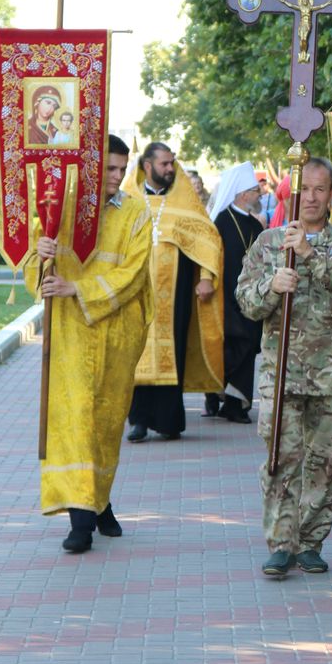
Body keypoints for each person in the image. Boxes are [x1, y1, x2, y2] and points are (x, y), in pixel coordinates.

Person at [235, 157, 332, 579]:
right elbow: (245, 302)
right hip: (281, 374)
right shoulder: (268, 242)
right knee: (280, 458)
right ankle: (282, 544)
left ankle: (311, 542)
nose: (312, 198)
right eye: (306, 189)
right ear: (292, 193)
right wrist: (271, 286)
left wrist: (310, 256)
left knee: (324, 463)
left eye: (320, 189)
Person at [25, 134, 152, 553]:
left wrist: (78, 288)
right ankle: (80, 521)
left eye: (122, 169)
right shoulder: (58, 211)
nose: (116, 177)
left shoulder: (136, 211)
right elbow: (35, 271)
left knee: (107, 420)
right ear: (91, 169)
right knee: (75, 417)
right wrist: (41, 253)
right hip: (70, 332)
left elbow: (134, 274)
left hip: (117, 331)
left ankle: (101, 502)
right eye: (109, 168)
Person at [124, 141, 224, 441]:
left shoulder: (184, 200)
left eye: (172, 163)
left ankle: (169, 421)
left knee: (173, 350)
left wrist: (206, 277)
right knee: (137, 351)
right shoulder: (128, 199)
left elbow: (207, 239)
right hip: (136, 292)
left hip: (175, 292)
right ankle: (138, 420)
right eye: (164, 164)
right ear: (147, 166)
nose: (171, 168)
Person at [204, 161, 265, 423]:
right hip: (224, 296)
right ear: (242, 194)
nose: (260, 194)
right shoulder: (221, 222)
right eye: (255, 190)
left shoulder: (257, 226)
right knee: (230, 346)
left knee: (248, 346)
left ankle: (235, 404)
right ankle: (215, 393)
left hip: (251, 297)